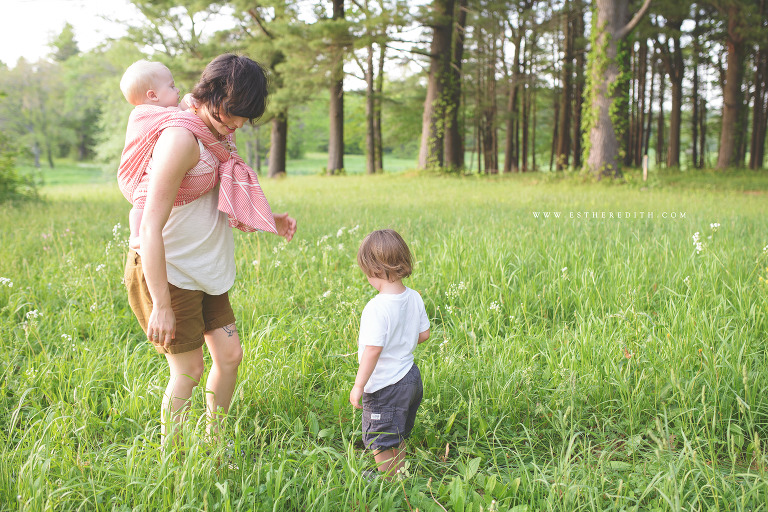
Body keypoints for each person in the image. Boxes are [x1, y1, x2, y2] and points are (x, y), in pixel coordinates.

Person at [120, 53, 297, 447]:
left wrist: (273, 218)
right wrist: (162, 303)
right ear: (208, 92)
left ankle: (214, 439)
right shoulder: (180, 139)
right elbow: (149, 225)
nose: (236, 123)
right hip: (168, 271)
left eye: (244, 117)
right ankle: (175, 457)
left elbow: (224, 189)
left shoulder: (218, 131)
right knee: (188, 371)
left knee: (230, 357)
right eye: (231, 114)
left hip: (206, 268)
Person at [350, 229, 430, 477]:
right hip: (410, 378)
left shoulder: (376, 307)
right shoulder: (414, 297)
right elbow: (423, 334)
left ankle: (390, 480)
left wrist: (358, 385)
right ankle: (400, 470)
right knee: (396, 431)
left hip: (386, 385)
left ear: (375, 271)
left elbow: (373, 350)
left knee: (382, 437)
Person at [119, 60, 192, 249]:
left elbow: (176, 115)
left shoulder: (160, 111)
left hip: (147, 167)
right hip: (135, 173)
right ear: (152, 95)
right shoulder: (143, 114)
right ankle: (136, 234)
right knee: (144, 197)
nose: (177, 90)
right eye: (172, 86)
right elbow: (181, 117)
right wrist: (190, 106)